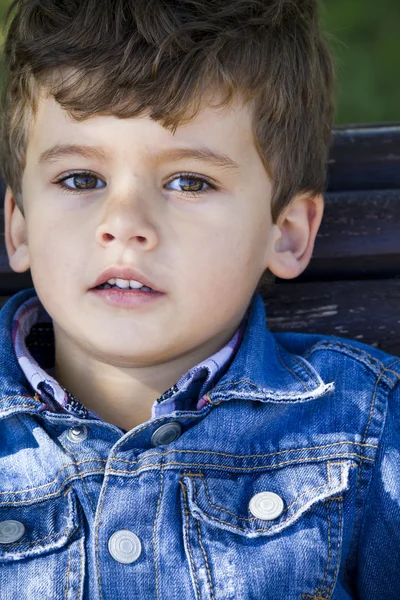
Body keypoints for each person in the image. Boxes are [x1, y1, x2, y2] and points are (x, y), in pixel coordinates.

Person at [0, 0, 398, 598]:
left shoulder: (365, 429)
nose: (124, 223)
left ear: (286, 233)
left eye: (189, 182)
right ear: (21, 225)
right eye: (80, 179)